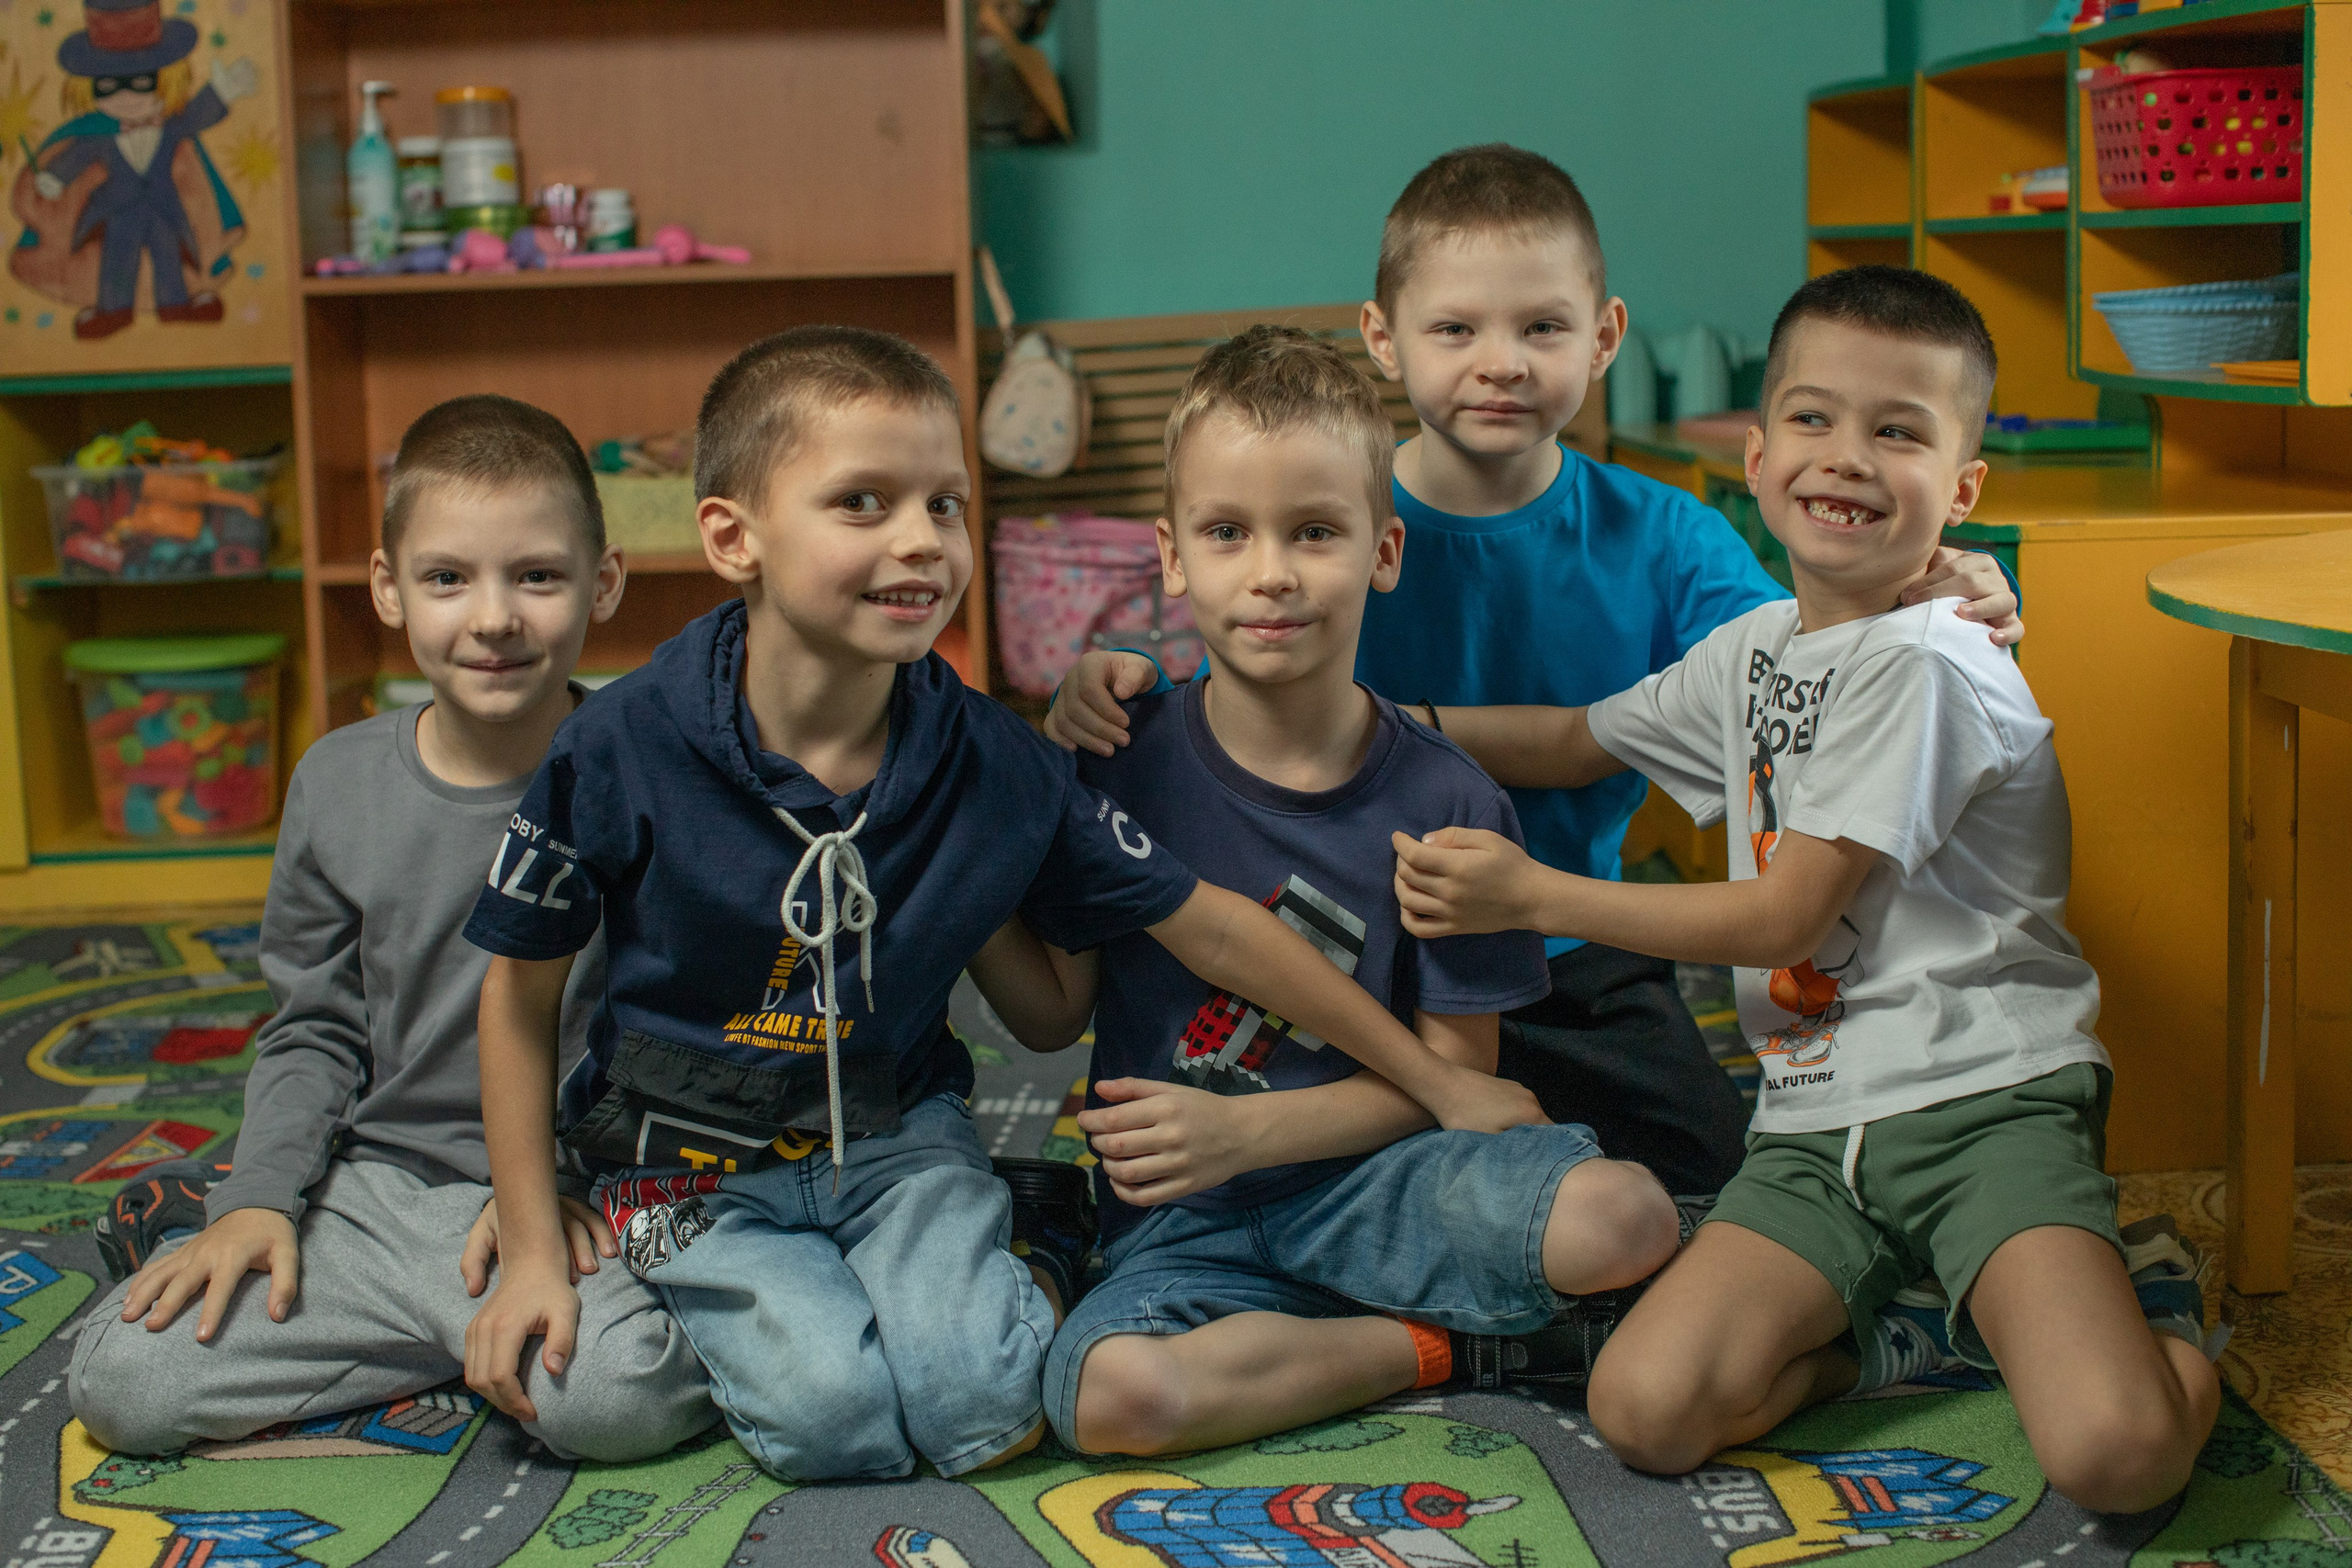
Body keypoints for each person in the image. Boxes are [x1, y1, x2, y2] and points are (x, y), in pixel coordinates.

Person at [458, 325, 1545, 1484]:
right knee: (820, 1420)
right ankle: (813, 1318)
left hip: (897, 1141)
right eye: (863, 503)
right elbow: (518, 1000)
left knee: (983, 1411)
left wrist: (1440, 1087)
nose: (920, 541)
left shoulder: (991, 759)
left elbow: (1167, 950)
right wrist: (531, 1238)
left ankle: (1015, 1251)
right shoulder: (619, 742)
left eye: (946, 505)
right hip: (690, 1165)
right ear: (733, 537)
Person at [1388, 266, 2220, 1515]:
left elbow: (1786, 917)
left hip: (1985, 1102)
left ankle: (2155, 1305)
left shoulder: (1932, 661)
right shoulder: (1758, 644)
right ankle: (1906, 1337)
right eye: (1818, 420)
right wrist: (1368, 723)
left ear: (1962, 489)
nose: (1849, 457)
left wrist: (1531, 892)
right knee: (1644, 1405)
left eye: (1899, 431)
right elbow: (1569, 740)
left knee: (2116, 1453)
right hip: (1816, 1123)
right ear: (1761, 450)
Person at [1050, 144, 2024, 1200]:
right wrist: (1112, 679)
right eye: (1456, 328)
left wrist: (1928, 579)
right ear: (1383, 338)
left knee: (1708, 1175)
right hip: (1348, 949)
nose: (1501, 362)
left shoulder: (1664, 538)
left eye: (1543, 328)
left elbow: (1812, 651)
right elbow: (1232, 663)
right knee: (1354, 1152)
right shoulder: (1322, 516)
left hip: (1569, 946)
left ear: (1603, 337)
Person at [1036, 326, 1681, 1459]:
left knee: (1625, 1215)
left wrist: (1248, 1133)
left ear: (1384, 551)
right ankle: (1444, 1349)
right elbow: (1053, 1003)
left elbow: (1459, 1087)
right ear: (1172, 556)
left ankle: (1369, 1326)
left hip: (1388, 1185)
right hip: (1183, 1224)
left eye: (1315, 532)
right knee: (1105, 1399)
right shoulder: (1118, 755)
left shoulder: (1450, 799)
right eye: (1227, 533)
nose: (1272, 572)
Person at [69, 395, 718, 1462]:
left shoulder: (656, 777)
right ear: (388, 588)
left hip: (599, 1194)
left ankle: (484, 1333)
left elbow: (690, 1024)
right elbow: (313, 1025)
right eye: (448, 578)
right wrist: (260, 1199)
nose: (494, 616)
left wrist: (556, 1193)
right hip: (384, 1192)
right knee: (122, 1383)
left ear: (603, 586)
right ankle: (440, 1323)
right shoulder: (334, 782)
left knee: (618, 1403)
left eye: (538, 576)